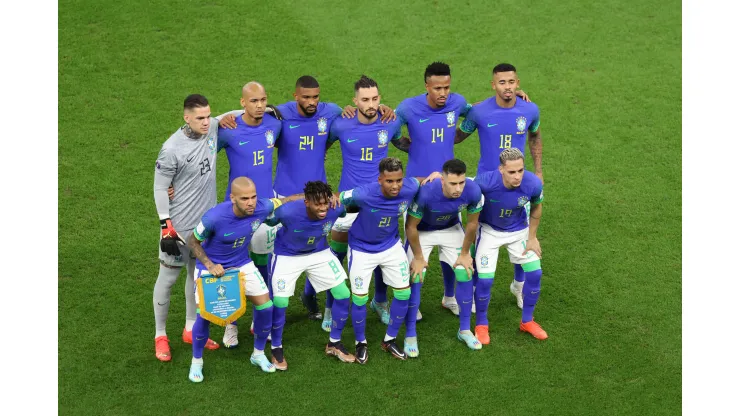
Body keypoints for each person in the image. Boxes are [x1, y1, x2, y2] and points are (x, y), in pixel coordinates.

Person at [220, 75, 395, 320]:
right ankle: (265, 307)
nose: (312, 101)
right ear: (296, 96)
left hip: (318, 197)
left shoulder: (331, 112)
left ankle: (309, 295)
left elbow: (356, 116)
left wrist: (379, 108)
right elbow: (254, 111)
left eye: (315, 97)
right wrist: (225, 117)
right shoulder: (280, 115)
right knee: (271, 252)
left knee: (316, 248)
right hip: (283, 196)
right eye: (306, 97)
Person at [392, 62, 529, 317]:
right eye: (437, 88)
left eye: (446, 87)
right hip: (420, 186)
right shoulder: (409, 107)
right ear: (426, 87)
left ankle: (449, 296)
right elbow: (388, 129)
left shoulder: (457, 103)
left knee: (449, 241)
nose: (443, 93)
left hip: (450, 185)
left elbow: (478, 111)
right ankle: (409, 301)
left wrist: (510, 95)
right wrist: (409, 146)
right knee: (412, 242)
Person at [185, 177, 302, 382]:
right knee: (203, 315)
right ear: (232, 198)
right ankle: (197, 361)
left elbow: (286, 200)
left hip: (241, 264)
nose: (251, 202)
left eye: (254, 197)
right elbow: (192, 241)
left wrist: (317, 197)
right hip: (211, 268)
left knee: (266, 306)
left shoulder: (261, 207)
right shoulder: (214, 217)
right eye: (245, 198)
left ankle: (257, 354)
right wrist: (210, 265)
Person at [152, 94, 234, 362]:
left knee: (195, 276)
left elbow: (233, 114)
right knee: (168, 279)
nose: (206, 121)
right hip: (178, 228)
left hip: (204, 228)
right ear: (186, 117)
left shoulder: (211, 128)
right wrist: (166, 225)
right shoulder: (171, 148)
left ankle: (190, 328)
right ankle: (160, 335)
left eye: (208, 116)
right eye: (199, 117)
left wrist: (268, 109)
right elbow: (160, 187)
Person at [455, 63, 543, 309]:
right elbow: (458, 136)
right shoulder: (480, 112)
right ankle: (473, 288)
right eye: (502, 82)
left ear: (518, 83)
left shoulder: (529, 110)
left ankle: (519, 284)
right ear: (493, 85)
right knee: (476, 232)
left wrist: (537, 171)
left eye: (512, 82)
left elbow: (535, 136)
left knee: (521, 233)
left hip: (518, 183)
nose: (508, 87)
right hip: (487, 185)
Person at [324, 75, 404, 331]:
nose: (371, 104)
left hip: (381, 203)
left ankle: (380, 302)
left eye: (375, 99)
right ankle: (329, 307)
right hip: (348, 203)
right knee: (335, 255)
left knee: (382, 252)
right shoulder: (341, 125)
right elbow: (320, 149)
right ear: (355, 101)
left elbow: (404, 142)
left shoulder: (390, 123)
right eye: (365, 99)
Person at [215, 81, 282, 348]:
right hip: (235, 212)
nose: (259, 105)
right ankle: (230, 324)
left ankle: (258, 317)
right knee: (231, 266)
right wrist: (223, 117)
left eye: (263, 100)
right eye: (253, 101)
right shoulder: (228, 130)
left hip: (265, 210)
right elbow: (202, 152)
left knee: (262, 264)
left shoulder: (274, 126)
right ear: (242, 103)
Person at [265, 181, 356, 370]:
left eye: (325, 202)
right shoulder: (287, 212)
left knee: (343, 294)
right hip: (287, 255)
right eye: (317, 204)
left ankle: (334, 343)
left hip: (318, 252)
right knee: (280, 302)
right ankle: (276, 347)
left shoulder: (335, 209)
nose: (323, 208)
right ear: (306, 202)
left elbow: (348, 209)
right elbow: (268, 220)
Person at [338, 157, 420, 363]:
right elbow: (338, 199)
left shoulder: (409, 187)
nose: (395, 186)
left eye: (399, 180)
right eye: (389, 181)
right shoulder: (363, 194)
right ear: (380, 180)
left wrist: (435, 176)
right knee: (359, 298)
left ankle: (389, 339)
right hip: (362, 249)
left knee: (404, 294)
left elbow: (421, 180)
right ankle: (361, 343)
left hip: (391, 246)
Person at [404, 159, 484, 355]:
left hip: (450, 228)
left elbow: (472, 224)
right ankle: (410, 333)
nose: (458, 189)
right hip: (422, 231)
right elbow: (410, 226)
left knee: (465, 271)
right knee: (416, 273)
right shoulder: (425, 193)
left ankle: (464, 330)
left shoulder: (473, 191)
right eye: (453, 184)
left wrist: (465, 254)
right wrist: (419, 257)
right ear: (442, 180)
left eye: (461, 183)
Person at [472, 148, 546, 344]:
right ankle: (481, 325)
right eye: (512, 172)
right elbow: (463, 192)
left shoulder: (532, 183)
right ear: (501, 169)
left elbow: (537, 206)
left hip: (518, 231)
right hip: (489, 231)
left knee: (535, 273)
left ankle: (527, 321)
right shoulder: (484, 182)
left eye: (520, 170)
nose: (517, 176)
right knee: (486, 280)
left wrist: (532, 237)